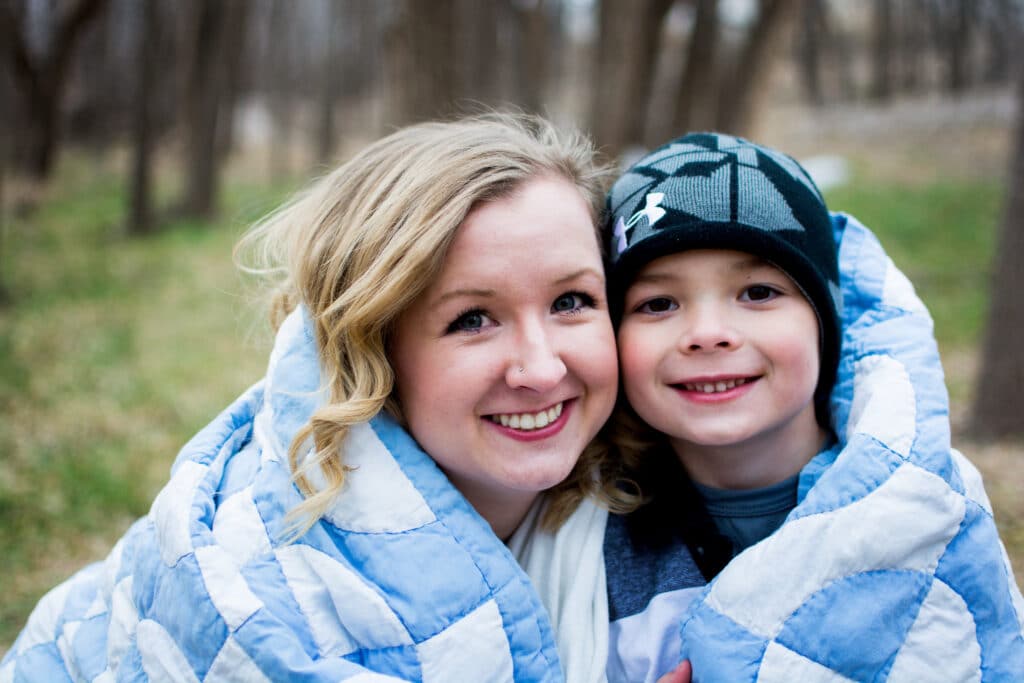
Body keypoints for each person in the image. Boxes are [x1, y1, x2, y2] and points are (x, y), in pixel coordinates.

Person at [1, 114, 631, 682]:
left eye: (571, 302)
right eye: (472, 320)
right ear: (372, 350)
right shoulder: (277, 599)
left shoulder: (643, 489)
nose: (542, 369)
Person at [601, 132, 1024, 682]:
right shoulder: (589, 540)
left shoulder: (929, 501)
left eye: (757, 292)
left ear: (825, 324)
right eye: (658, 303)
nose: (707, 334)